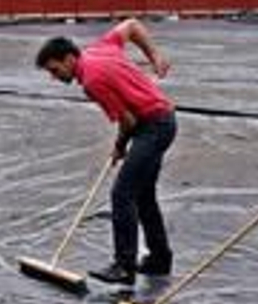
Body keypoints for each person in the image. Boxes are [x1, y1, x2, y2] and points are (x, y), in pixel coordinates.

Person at [36, 19, 176, 286]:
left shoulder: (92, 80)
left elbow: (128, 122)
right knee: (143, 195)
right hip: (162, 120)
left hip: (154, 125)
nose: (54, 78)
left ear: (68, 59)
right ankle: (159, 260)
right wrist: (154, 55)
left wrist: (120, 147)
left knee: (122, 193)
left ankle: (124, 266)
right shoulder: (99, 48)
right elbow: (133, 25)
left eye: (55, 70)